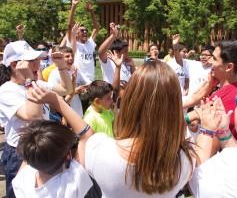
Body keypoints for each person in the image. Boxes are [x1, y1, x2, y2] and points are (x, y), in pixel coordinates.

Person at [28, 59, 196, 197]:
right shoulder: (186, 159)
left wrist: (57, 101)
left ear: (131, 100)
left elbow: (86, 135)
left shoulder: (102, 149)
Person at [0, 40, 72, 198]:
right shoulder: (6, 90)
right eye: (32, 61)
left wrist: (61, 66)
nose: (38, 64)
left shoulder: (35, 83)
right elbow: (33, 116)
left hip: (40, 148)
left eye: (38, 59)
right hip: (20, 154)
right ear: (14, 65)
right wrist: (29, 82)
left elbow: (66, 89)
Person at [184, 40, 237, 142]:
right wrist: (208, 87)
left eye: (214, 59)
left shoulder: (222, 98)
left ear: (228, 67)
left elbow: (186, 118)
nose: (209, 62)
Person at [12, 120, 93, 197]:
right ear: (68, 156)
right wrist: (57, 104)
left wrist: (30, 137)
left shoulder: (21, 179)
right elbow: (87, 133)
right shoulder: (71, 183)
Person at [67, 0, 100, 84]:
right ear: (76, 34)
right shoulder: (74, 43)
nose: (85, 32)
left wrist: (92, 12)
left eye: (86, 30)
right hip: (78, 81)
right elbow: (69, 26)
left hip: (91, 81)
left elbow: (96, 28)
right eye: (82, 30)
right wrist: (73, 6)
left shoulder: (90, 43)